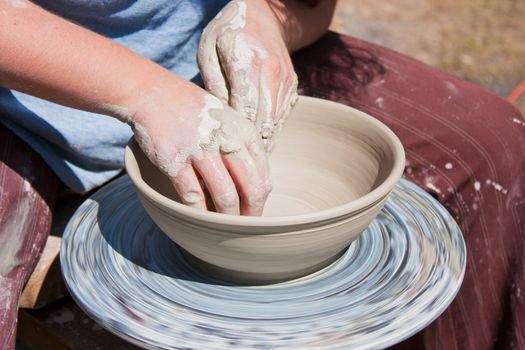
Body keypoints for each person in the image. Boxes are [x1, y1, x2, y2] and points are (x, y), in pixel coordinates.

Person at [0, 0, 523, 349]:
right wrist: (145, 92)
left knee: (496, 146)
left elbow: (309, 5)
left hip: (220, 60)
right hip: (25, 95)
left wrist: (270, 14)